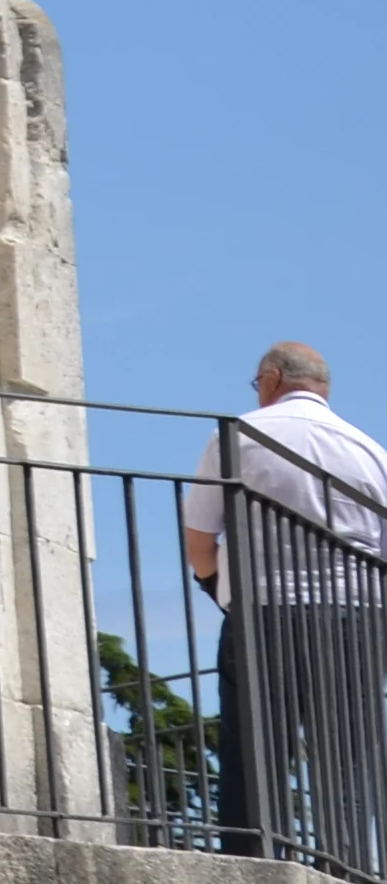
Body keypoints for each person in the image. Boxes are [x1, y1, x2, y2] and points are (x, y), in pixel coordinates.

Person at [187, 342, 387, 859]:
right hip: (358, 616)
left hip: (265, 609)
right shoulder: (370, 452)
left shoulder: (238, 437)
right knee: (346, 750)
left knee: (255, 748)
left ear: (272, 378)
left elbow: (199, 542)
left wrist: (219, 591)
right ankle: (347, 862)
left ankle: (253, 860)